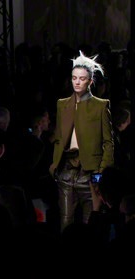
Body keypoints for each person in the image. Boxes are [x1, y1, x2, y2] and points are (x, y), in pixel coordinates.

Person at [49, 51, 113, 232]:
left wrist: (101, 173)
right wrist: (54, 166)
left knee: (89, 222)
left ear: (90, 81)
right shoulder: (62, 104)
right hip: (65, 170)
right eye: (74, 78)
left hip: (89, 173)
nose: (77, 82)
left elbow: (108, 143)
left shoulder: (101, 106)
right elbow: (59, 137)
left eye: (82, 78)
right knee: (65, 221)